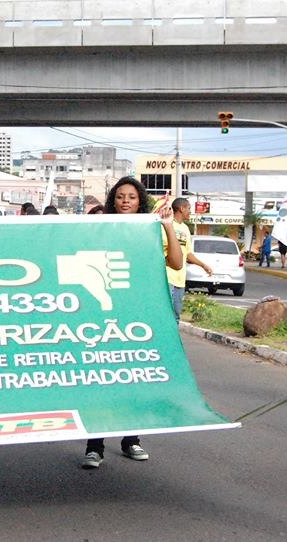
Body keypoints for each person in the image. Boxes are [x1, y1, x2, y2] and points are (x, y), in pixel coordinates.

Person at [82, 176, 182, 470]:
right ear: (113, 200)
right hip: (103, 312)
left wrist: (167, 226)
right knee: (101, 380)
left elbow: (176, 263)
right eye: (120, 196)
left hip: (138, 313)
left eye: (132, 197)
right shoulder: (100, 228)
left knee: (134, 378)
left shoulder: (150, 229)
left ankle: (131, 439)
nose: (126, 201)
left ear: (141, 201)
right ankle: (94, 446)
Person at [166, 197, 213, 321]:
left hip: (180, 279)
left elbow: (188, 253)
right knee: (166, 314)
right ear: (181, 209)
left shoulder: (185, 228)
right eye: (188, 208)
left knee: (176, 316)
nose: (190, 211)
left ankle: (174, 334)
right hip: (167, 277)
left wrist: (203, 265)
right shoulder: (167, 225)